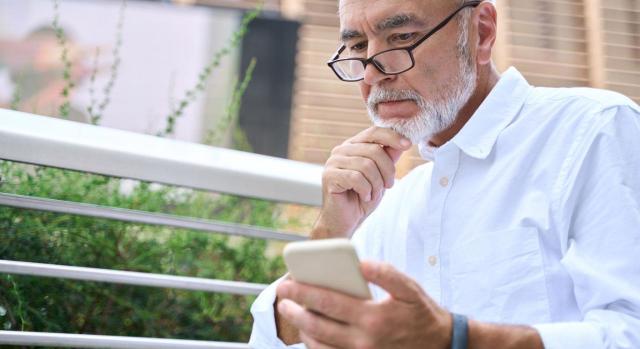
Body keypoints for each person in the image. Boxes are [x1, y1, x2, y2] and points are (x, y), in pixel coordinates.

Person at [250, 0, 640, 348]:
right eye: (357, 48)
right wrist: (330, 233)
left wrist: (453, 339)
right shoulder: (387, 203)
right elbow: (272, 340)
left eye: (401, 37)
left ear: (481, 32)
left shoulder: (594, 130)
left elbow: (631, 332)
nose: (373, 75)